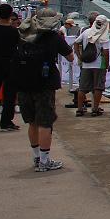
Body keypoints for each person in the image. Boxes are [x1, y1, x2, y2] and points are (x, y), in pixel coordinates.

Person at [14, 9, 73, 171]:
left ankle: (36, 157)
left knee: (32, 122)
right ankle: (45, 161)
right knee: (45, 123)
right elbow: (70, 57)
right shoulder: (54, 37)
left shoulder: (23, 34)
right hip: (45, 84)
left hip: (23, 83)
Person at [74, 14, 110, 116]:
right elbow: (106, 52)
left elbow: (76, 43)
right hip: (99, 65)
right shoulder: (104, 34)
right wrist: (106, 65)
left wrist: (79, 56)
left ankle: (80, 109)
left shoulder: (87, 32)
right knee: (98, 87)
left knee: (82, 88)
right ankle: (95, 109)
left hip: (86, 64)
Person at [0, 3, 21, 130]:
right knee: (10, 94)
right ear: (10, 15)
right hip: (10, 64)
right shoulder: (14, 32)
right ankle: (6, 122)